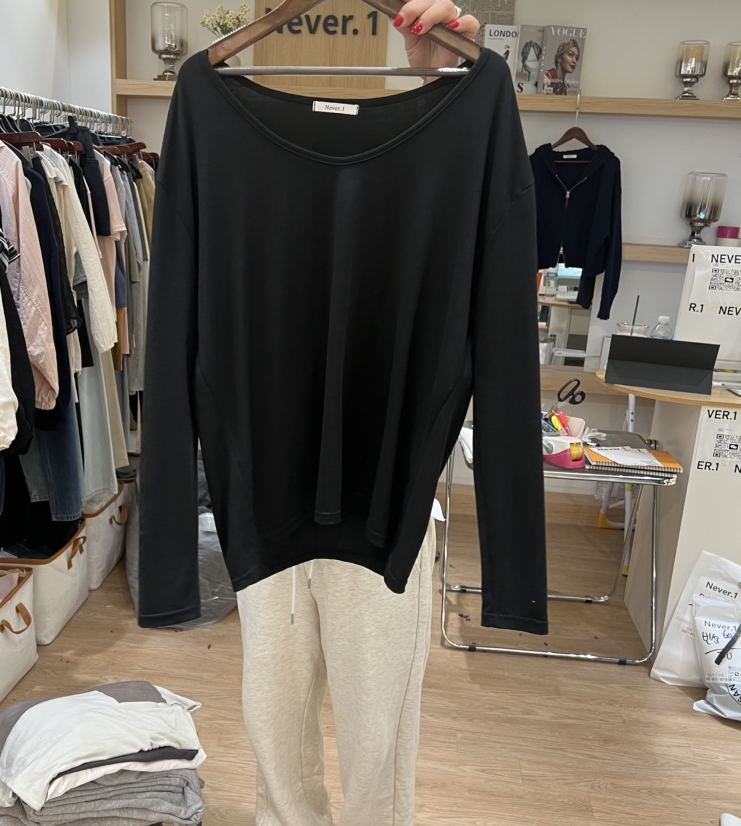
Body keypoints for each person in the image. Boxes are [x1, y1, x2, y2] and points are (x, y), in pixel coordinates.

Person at [236, 9, 482, 826]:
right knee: (275, 743)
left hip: (387, 505)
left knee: (378, 752)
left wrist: (445, 76)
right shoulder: (218, 128)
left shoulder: (458, 130)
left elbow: (488, 312)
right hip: (267, 498)